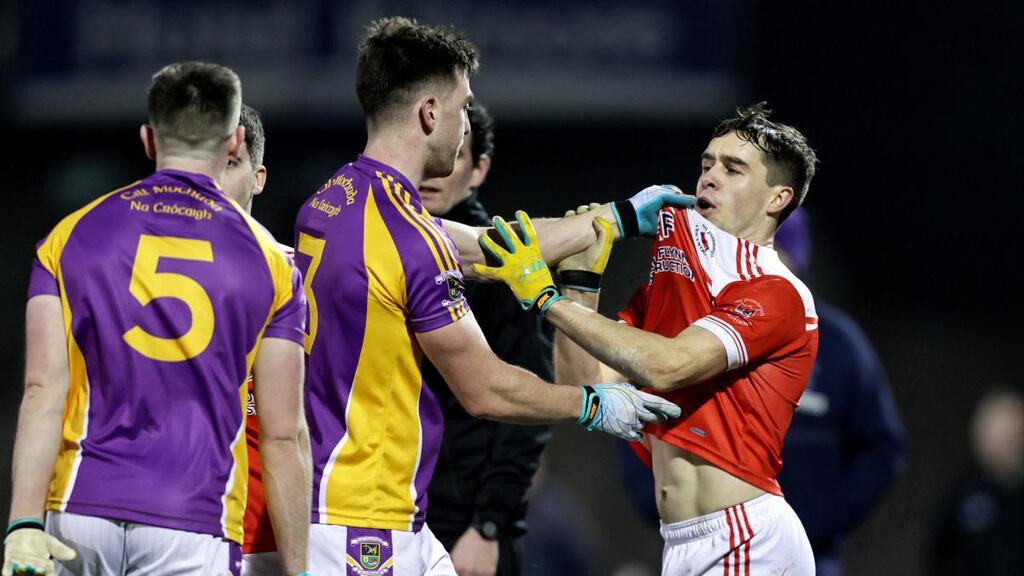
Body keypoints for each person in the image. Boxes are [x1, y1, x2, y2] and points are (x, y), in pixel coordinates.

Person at [292, 16, 686, 575]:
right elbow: (486, 390)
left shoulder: (334, 201)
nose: (463, 125)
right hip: (364, 520)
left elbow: (487, 247)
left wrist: (617, 218)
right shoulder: (412, 237)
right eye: (462, 107)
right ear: (430, 113)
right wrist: (594, 404)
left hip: (353, 503)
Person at [480, 103, 820, 574]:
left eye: (733, 169)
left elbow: (668, 365)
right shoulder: (674, 286)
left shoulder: (776, 291)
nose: (709, 177)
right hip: (684, 540)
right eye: (707, 164)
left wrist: (545, 300)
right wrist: (579, 284)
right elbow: (585, 382)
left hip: (745, 538)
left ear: (778, 198)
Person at [3, 63, 310, 576]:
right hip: (192, 520)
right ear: (234, 141)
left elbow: (41, 392)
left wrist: (23, 524)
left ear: (148, 139)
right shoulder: (271, 263)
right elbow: (283, 436)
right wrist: (299, 570)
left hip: (81, 510)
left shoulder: (69, 237)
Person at [419, 102, 552, 576]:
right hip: (395, 510)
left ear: (479, 170)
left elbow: (529, 404)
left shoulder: (503, 266)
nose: (435, 169)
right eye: (428, 152)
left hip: (465, 525)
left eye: (454, 154)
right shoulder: (384, 248)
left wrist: (489, 526)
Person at [773, 208, 906, 576]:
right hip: (713, 555)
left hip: (810, 561)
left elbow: (882, 447)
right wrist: (668, 509)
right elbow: (650, 424)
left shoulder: (837, 341)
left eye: (772, 247)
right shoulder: (705, 335)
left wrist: (824, 520)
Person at [216, 103, 306, 576]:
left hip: (277, 543)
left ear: (259, 178)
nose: (214, 181)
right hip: (184, 534)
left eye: (231, 164)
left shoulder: (300, 279)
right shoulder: (145, 278)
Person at [926, 387, 1024, 576]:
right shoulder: (963, 495)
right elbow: (939, 556)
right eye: (1005, 434)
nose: (1012, 442)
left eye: (1017, 433)